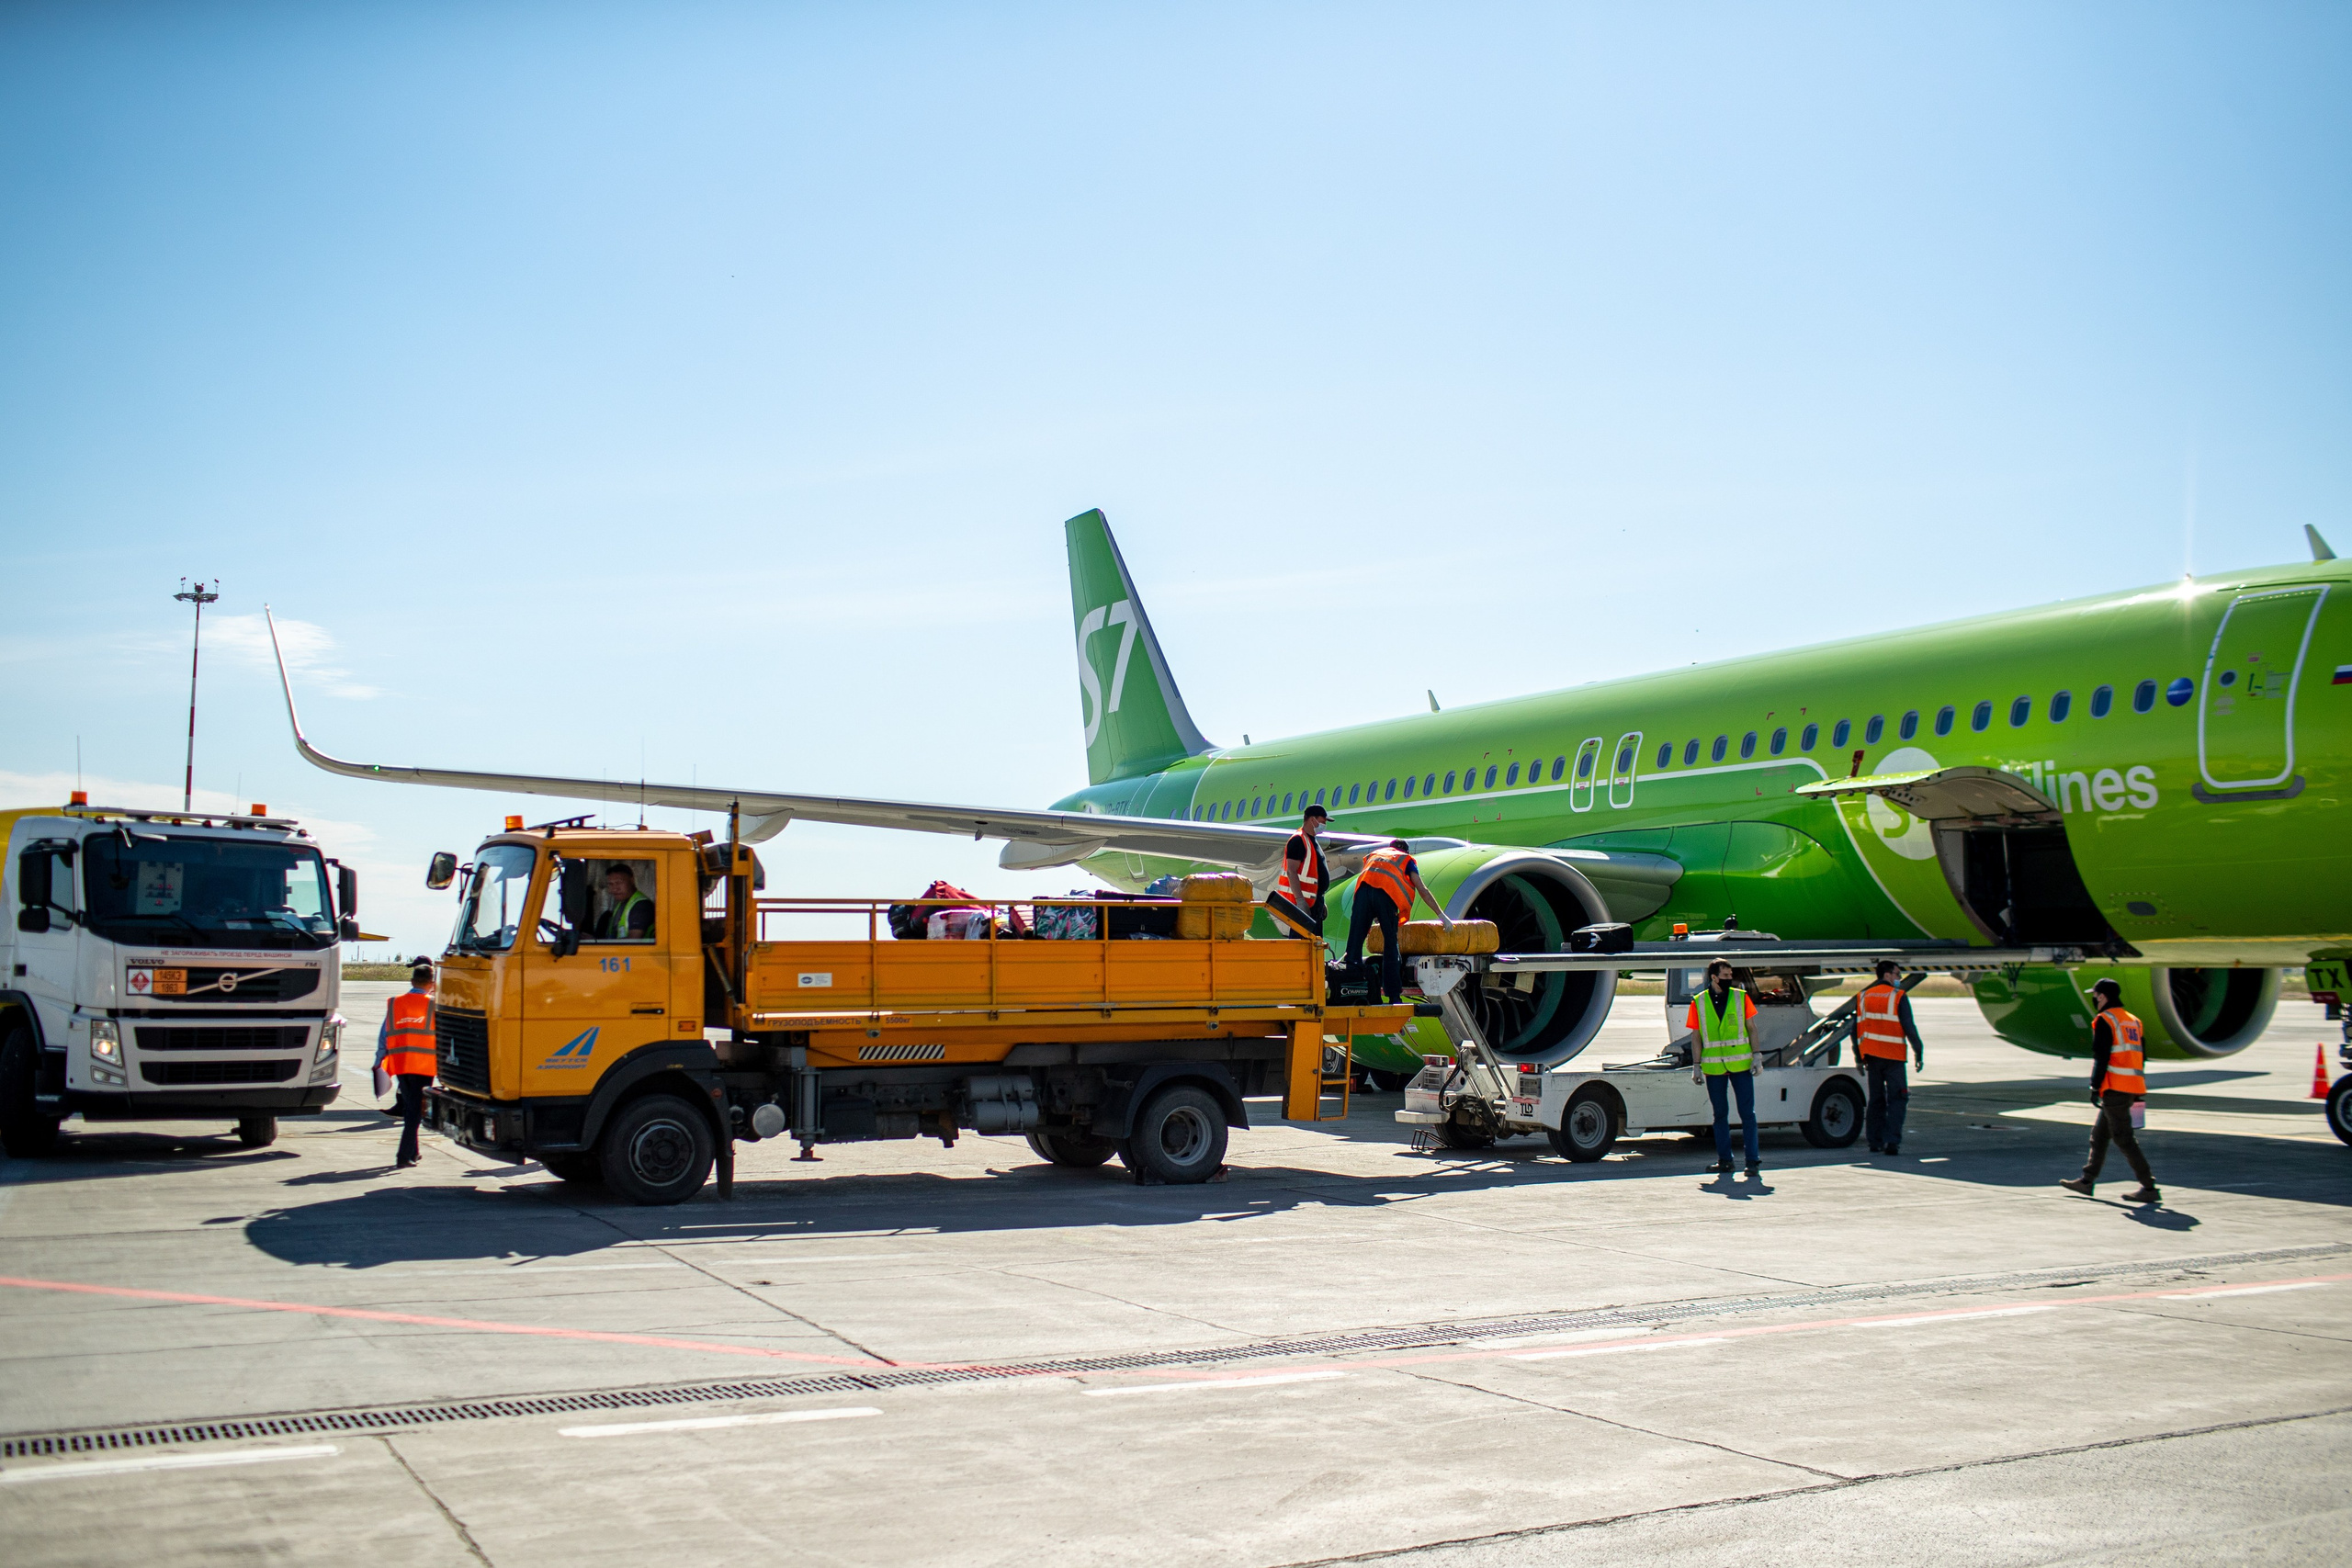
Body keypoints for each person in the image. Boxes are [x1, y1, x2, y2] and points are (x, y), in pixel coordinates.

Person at [2060, 978, 2159, 1203]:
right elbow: (2140, 1057)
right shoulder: (2133, 1021)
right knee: (2099, 1136)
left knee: (2124, 1139)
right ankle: (2086, 1181)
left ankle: (2149, 1187)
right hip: (2130, 1086)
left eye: (2095, 996)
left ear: (2102, 996)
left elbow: (2102, 1057)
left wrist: (2095, 1085)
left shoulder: (2105, 1020)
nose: (2095, 1000)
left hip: (2115, 1088)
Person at [1345, 840, 1451, 1004]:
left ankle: (1352, 991)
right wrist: (1442, 916)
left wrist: (1371, 910)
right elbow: (1422, 889)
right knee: (1390, 946)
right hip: (1386, 896)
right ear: (1406, 851)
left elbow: (1370, 880)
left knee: (1354, 946)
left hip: (1362, 894)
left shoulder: (1375, 855)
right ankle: (1393, 995)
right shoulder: (1405, 860)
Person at [1689, 959, 1761, 1174]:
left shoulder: (1741, 998)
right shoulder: (1698, 1002)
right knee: (1720, 1115)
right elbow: (1696, 1037)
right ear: (1714, 977)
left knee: (1747, 1114)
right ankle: (1725, 1161)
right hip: (1714, 1067)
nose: (1731, 979)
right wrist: (1696, 1065)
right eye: (1726, 975)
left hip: (1740, 1064)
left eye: (1731, 975)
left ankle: (1752, 1162)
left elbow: (1752, 1028)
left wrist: (1757, 1056)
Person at [1855, 960, 1926, 1156]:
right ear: (1887, 975)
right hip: (1893, 1057)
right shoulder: (1897, 996)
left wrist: (1858, 1057)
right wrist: (1918, 1051)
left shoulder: (1863, 996)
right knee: (1898, 1098)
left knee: (1876, 1100)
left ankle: (1874, 1142)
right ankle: (1892, 1141)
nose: (1899, 979)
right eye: (1897, 974)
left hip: (1872, 1057)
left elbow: (1856, 1029)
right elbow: (1908, 1026)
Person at [378, 961, 436, 1169]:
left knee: (411, 1107)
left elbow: (384, 1034)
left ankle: (414, 1151)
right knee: (414, 1112)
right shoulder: (433, 1005)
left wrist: (379, 1060)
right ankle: (403, 1155)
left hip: (400, 1063)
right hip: (424, 1065)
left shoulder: (396, 1003)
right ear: (433, 983)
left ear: (412, 981)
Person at [1268, 805, 1330, 936]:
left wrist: (1320, 900)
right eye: (1323, 821)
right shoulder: (1298, 840)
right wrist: (1300, 900)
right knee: (1302, 943)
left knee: (1314, 944)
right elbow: (1292, 871)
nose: (1324, 825)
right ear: (1313, 819)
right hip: (1304, 904)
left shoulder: (1311, 841)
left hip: (1313, 903)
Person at [594, 863, 654, 941]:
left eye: (619, 883)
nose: (615, 888)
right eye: (611, 884)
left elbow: (633, 940)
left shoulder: (641, 905)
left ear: (632, 880)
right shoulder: (622, 904)